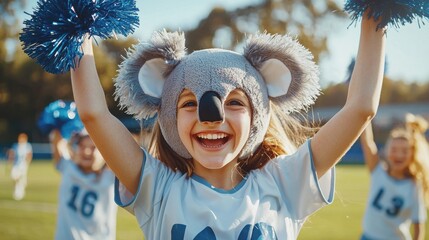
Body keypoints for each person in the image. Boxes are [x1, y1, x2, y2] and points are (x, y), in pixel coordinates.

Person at [70, 13, 385, 238]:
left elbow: (360, 108)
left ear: (258, 115)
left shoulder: (285, 183)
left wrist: (378, 11)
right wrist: (76, 25)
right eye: (189, 103)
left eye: (235, 102)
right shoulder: (158, 190)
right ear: (168, 116)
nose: (211, 115)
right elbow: (94, 114)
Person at [360, 114, 429, 240]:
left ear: (412, 154)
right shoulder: (377, 170)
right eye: (394, 149)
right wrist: (364, 112)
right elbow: (367, 141)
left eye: (404, 151)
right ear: (386, 151)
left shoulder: (413, 186)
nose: (399, 154)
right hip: (367, 237)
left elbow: (418, 225)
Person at [49, 128, 117, 240]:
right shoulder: (68, 168)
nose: (86, 152)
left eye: (93, 147)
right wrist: (58, 125)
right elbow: (56, 138)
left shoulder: (111, 178)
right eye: (82, 146)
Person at [7, 132, 33, 200]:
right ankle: (20, 186)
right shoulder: (15, 145)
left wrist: (28, 162)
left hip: (23, 165)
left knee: (21, 179)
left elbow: (29, 155)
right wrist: (10, 161)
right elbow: (12, 154)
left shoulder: (27, 146)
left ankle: (19, 193)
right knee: (14, 177)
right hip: (16, 165)